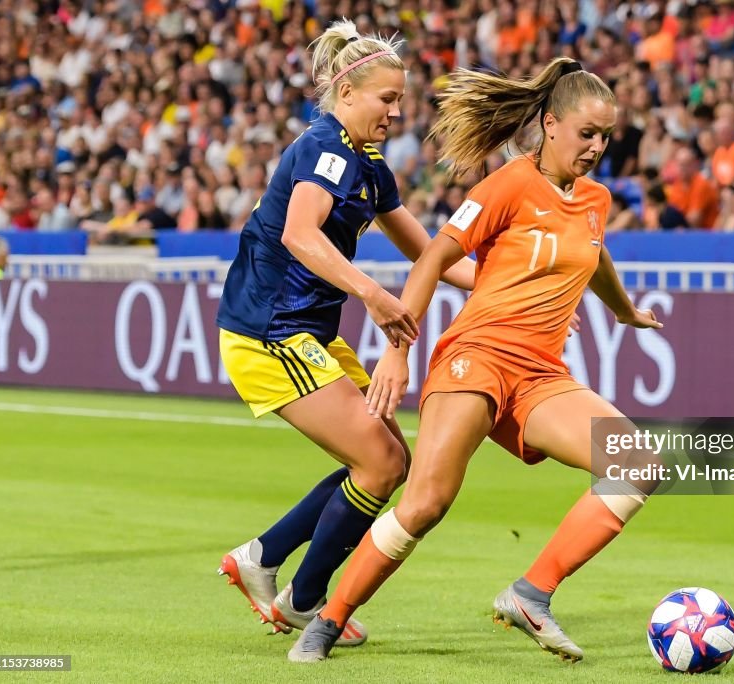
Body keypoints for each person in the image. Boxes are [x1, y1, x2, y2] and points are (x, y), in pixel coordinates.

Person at [286, 57, 663, 663]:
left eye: (606, 137)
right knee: (427, 501)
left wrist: (623, 311)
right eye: (586, 134)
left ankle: (531, 593)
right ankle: (329, 619)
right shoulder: (508, 184)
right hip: (476, 359)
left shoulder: (595, 199)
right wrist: (397, 353)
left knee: (637, 463)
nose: (596, 147)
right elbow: (432, 258)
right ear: (549, 123)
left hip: (541, 376)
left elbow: (594, 255)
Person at [214, 20, 476, 648]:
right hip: (269, 332)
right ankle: (301, 600)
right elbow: (298, 235)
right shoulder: (324, 147)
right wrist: (375, 295)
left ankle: (264, 557)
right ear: (348, 93)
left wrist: (505, 287)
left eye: (401, 101)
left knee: (389, 463)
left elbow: (432, 253)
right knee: (382, 462)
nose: (395, 112)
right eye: (387, 99)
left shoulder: (369, 163)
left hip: (309, 331)